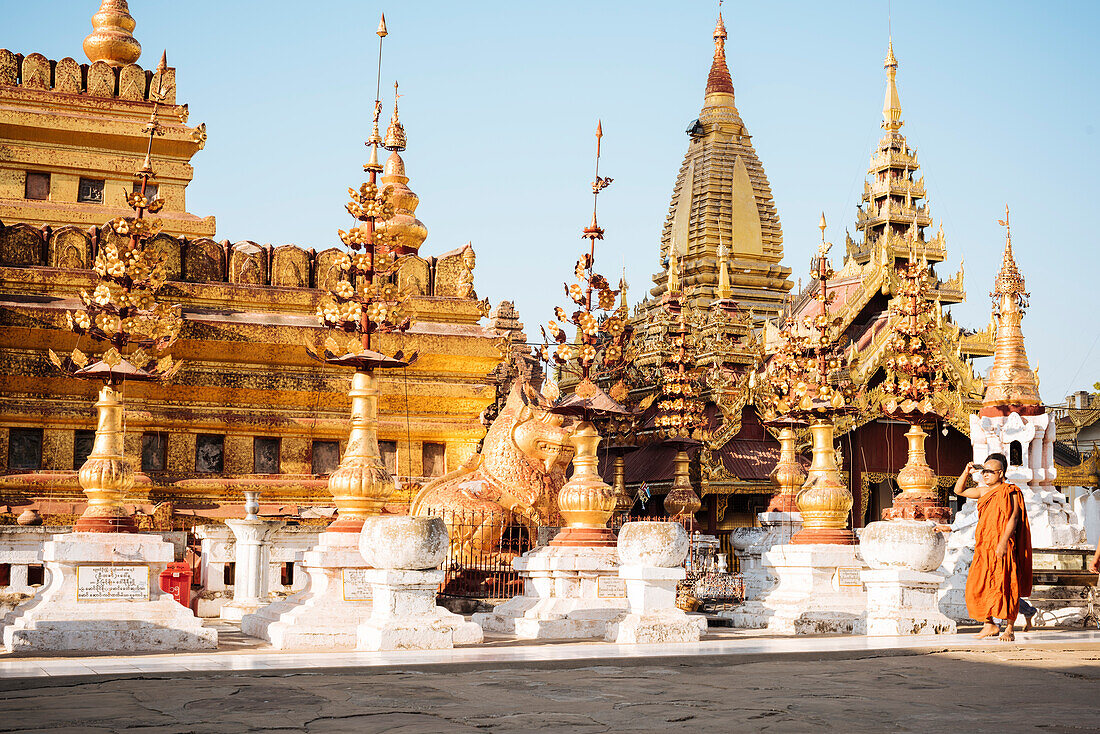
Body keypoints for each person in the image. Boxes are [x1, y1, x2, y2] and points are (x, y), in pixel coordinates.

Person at [953, 453, 1033, 641]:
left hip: (1002, 543)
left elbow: (1013, 517)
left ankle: (1009, 628)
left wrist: (1004, 542)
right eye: (984, 471)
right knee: (977, 584)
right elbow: (959, 491)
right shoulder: (983, 492)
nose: (985, 475)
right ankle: (989, 624)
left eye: (989, 472)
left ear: (1000, 473)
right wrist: (966, 472)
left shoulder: (1010, 490)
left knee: (1006, 584)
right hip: (984, 545)